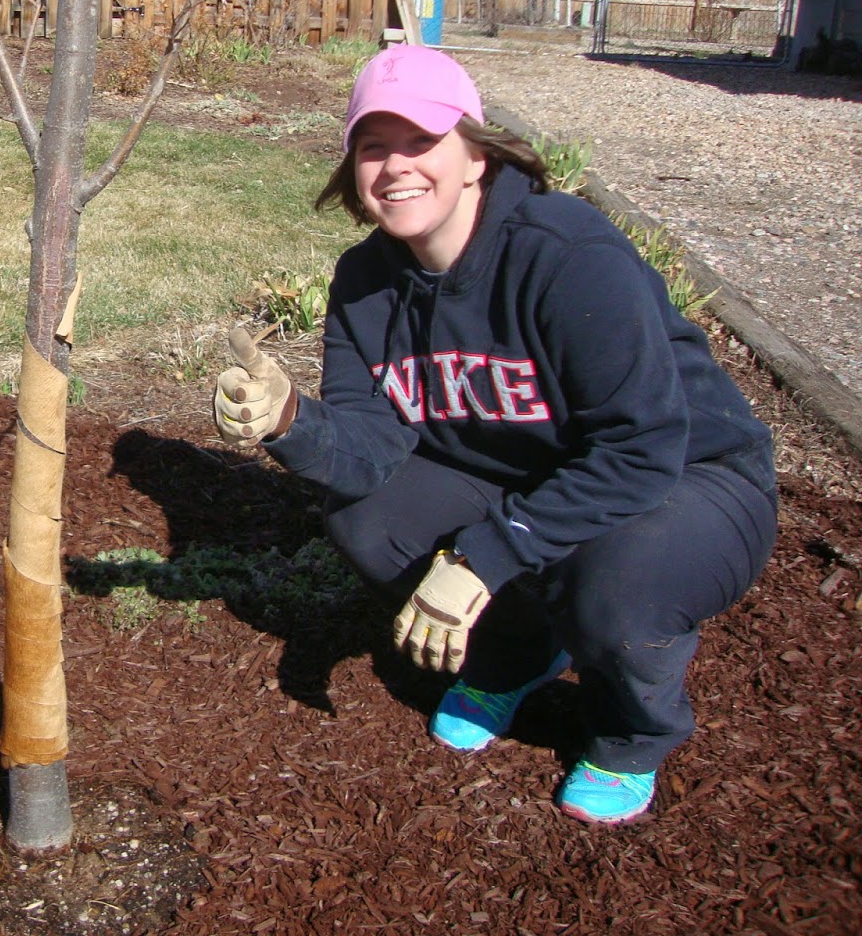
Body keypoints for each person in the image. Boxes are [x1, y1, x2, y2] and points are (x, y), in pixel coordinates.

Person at [212, 44, 778, 825]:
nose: (396, 166)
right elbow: (371, 450)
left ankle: (631, 730)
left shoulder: (566, 254)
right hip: (522, 477)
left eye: (422, 141)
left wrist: (484, 556)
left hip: (688, 478)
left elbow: (640, 447)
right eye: (373, 146)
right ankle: (515, 655)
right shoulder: (365, 283)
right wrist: (289, 419)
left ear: (476, 156)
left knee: (614, 589)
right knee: (367, 517)